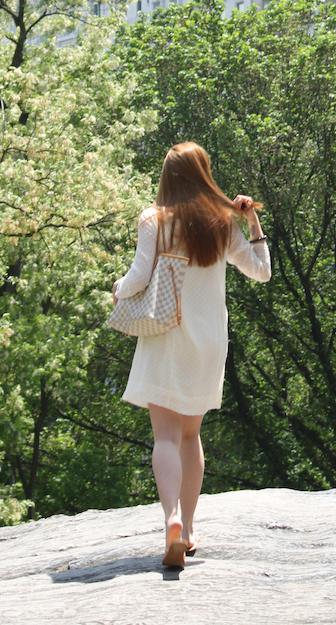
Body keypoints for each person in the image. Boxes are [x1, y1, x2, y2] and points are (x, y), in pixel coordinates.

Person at [112, 142, 271, 568]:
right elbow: (262, 272)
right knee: (190, 435)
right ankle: (190, 528)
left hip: (167, 335)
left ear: (169, 177)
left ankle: (172, 521)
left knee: (165, 436)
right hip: (208, 342)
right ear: (204, 174)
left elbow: (137, 277)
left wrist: (117, 289)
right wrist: (252, 220)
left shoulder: (155, 219)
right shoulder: (222, 223)